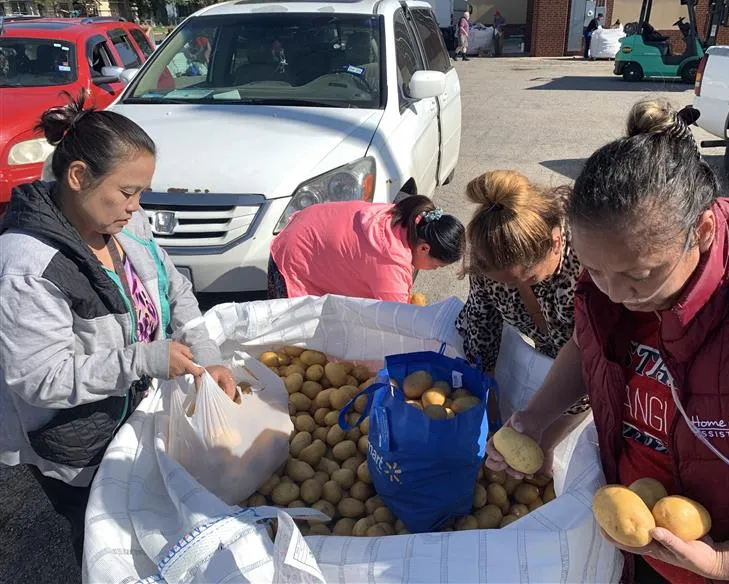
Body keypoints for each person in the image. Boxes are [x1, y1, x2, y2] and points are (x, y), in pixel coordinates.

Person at [487, 100, 729, 583]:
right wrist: (535, 417)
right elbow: (587, 343)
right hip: (642, 553)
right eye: (594, 271)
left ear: (702, 230)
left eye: (639, 275)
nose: (615, 294)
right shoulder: (618, 258)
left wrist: (728, 562)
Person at [0, 93, 236, 563]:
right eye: (127, 192)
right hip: (76, 441)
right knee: (101, 536)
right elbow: (37, 379)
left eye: (141, 193)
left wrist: (206, 354)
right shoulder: (27, 267)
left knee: (148, 520)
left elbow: (174, 289)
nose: (136, 206)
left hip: (131, 413)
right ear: (78, 176)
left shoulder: (126, 226)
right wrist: (145, 360)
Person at [455, 171, 589, 416]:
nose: (513, 289)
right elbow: (481, 323)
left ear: (556, 242)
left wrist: (542, 427)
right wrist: (487, 394)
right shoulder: (489, 260)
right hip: (551, 362)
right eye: (503, 282)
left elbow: (590, 361)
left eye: (527, 279)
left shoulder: (589, 264)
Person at [267, 196, 465, 303]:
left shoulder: (407, 219)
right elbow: (396, 322)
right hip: (294, 254)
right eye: (437, 266)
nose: (433, 270)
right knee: (292, 336)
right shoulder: (390, 262)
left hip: (308, 225)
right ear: (424, 248)